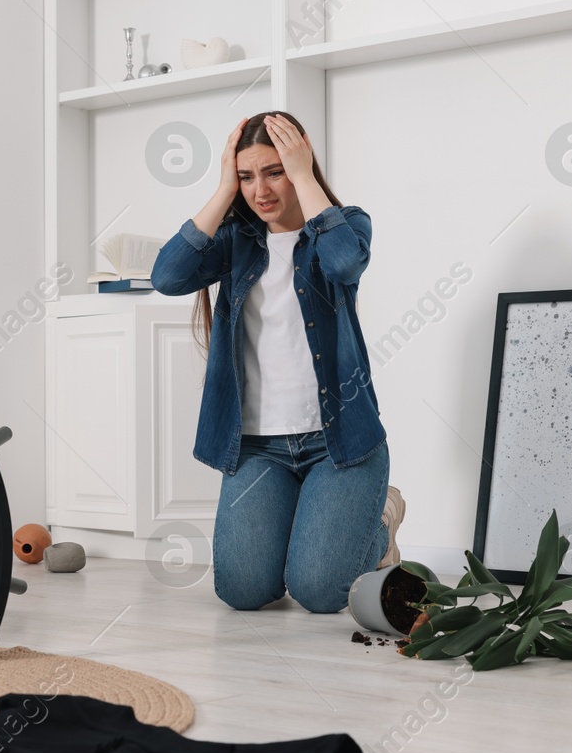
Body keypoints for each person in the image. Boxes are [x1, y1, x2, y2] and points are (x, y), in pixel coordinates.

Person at [149, 111, 406, 613]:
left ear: (300, 162)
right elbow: (167, 275)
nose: (260, 190)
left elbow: (342, 264)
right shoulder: (235, 242)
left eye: (275, 171)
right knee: (243, 592)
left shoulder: (346, 225)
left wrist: (305, 176)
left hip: (339, 446)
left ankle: (380, 521)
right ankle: (319, 532)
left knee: (320, 592)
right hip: (256, 449)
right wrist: (225, 189)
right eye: (247, 176)